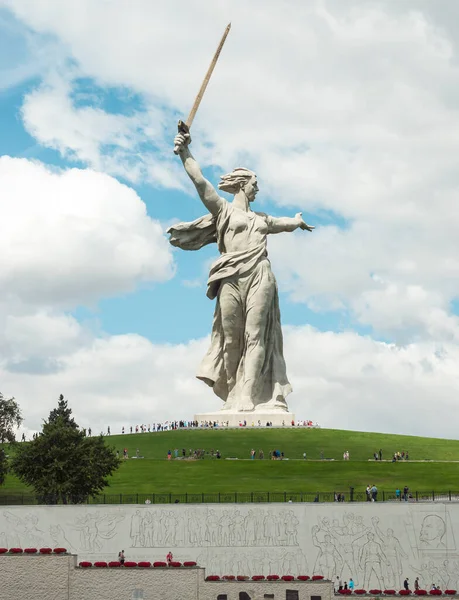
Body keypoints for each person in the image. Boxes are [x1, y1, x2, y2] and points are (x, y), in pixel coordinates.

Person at [170, 131, 314, 411]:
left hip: (260, 274)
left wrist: (296, 222)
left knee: (256, 335)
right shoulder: (223, 211)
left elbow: (282, 223)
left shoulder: (262, 219)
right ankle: (233, 391)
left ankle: (248, 394)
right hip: (230, 277)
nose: (257, 189)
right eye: (254, 184)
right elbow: (200, 183)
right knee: (231, 338)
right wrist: (185, 152)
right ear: (242, 185)